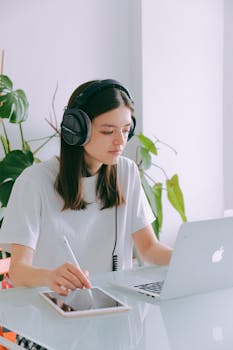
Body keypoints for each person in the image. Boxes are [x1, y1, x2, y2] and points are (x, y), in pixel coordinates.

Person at [0, 79, 172, 296]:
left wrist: (187, 258)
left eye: (126, 130)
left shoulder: (126, 172)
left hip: (117, 310)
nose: (120, 141)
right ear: (77, 130)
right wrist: (50, 276)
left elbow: (148, 249)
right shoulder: (34, 182)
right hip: (53, 310)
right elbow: (18, 271)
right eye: (108, 131)